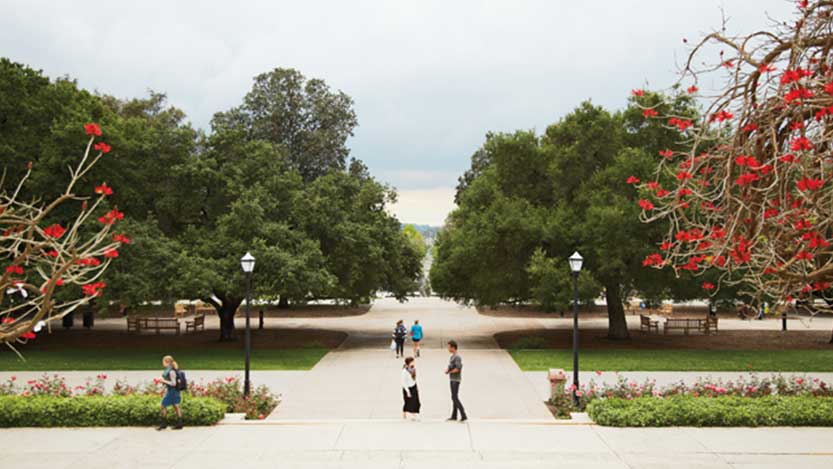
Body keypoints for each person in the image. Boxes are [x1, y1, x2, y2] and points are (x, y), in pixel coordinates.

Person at [157, 355, 183, 430]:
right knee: (176, 406)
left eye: (163, 362)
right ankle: (180, 423)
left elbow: (173, 383)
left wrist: (163, 381)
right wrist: (163, 388)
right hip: (174, 390)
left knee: (163, 405)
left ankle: (164, 424)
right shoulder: (170, 370)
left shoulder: (171, 371)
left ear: (167, 362)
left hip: (173, 391)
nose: (162, 363)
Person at [445, 340, 467, 422]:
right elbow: (451, 366)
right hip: (452, 379)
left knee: (455, 397)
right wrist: (448, 370)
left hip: (456, 379)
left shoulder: (457, 357)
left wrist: (449, 372)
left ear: (453, 347)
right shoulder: (452, 357)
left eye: (449, 347)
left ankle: (463, 414)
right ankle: (454, 415)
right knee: (453, 397)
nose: (448, 348)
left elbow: (458, 368)